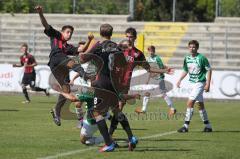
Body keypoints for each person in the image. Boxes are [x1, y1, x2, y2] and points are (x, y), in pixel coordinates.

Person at [108, 28, 174, 144]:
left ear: (135, 38)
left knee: (118, 110)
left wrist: (164, 70)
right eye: (127, 36)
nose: (129, 39)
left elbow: (149, 69)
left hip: (124, 86)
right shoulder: (118, 48)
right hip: (112, 82)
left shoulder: (138, 54)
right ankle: (109, 134)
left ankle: (109, 135)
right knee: (110, 109)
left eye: (131, 37)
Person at [35, 5, 93, 126]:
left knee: (66, 90)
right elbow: (45, 25)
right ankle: (85, 75)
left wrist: (89, 40)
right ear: (62, 32)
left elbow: (81, 49)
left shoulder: (68, 46)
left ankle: (57, 112)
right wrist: (40, 13)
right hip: (56, 59)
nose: (69, 34)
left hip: (59, 66)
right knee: (74, 62)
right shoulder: (56, 35)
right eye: (68, 32)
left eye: (71, 33)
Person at [176, 40, 213, 133]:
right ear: (188, 48)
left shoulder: (201, 58)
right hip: (192, 83)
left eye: (194, 47)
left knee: (190, 102)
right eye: (190, 47)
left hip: (200, 83)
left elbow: (209, 70)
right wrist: (180, 79)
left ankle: (185, 126)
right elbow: (185, 70)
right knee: (200, 105)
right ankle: (208, 126)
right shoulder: (187, 58)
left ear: (197, 48)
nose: (192, 49)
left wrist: (208, 84)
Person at [135, 45, 176, 116]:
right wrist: (148, 80)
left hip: (160, 78)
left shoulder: (157, 58)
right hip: (152, 79)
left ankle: (172, 108)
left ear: (154, 51)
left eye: (152, 50)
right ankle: (144, 109)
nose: (151, 52)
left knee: (163, 94)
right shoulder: (148, 59)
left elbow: (161, 67)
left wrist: (166, 69)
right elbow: (149, 70)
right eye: (149, 51)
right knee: (147, 93)